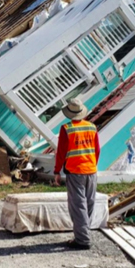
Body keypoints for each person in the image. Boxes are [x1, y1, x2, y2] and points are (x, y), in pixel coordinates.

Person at [53, 98, 100, 250]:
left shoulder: (66, 128)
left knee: (78, 205)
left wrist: (57, 171)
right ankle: (84, 233)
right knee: (89, 203)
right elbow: (97, 150)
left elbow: (61, 152)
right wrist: (92, 164)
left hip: (75, 171)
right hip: (91, 170)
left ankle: (82, 239)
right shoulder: (92, 127)